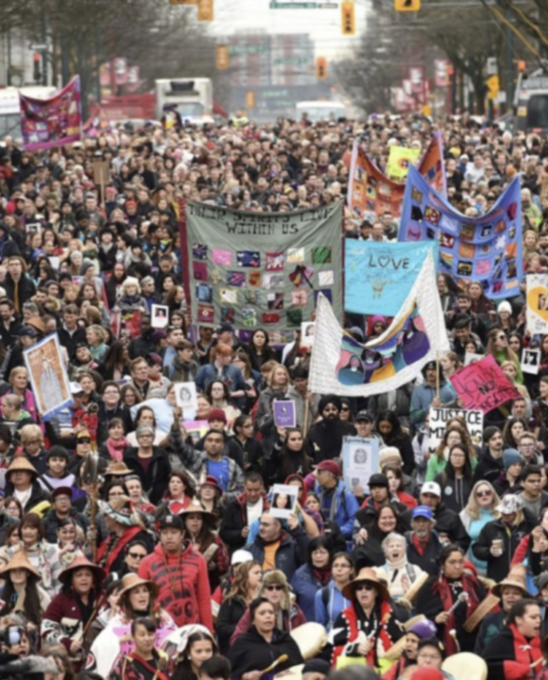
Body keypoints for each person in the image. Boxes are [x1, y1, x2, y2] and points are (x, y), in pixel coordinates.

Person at [138, 514, 213, 629]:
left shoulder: (198, 559)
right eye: (164, 533)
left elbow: (204, 599)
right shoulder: (146, 563)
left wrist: (208, 631)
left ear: (182, 534)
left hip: (191, 628)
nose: (169, 537)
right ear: (159, 535)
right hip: (159, 629)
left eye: (174, 532)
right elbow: (140, 601)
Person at [326, 566, 403, 669]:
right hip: (352, 673)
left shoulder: (389, 615)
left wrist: (382, 648)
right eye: (359, 588)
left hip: (383, 673)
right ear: (355, 593)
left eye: (368, 587)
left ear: (376, 592)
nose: (363, 591)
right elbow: (329, 649)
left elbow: (401, 645)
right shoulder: (344, 616)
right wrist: (353, 649)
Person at [414, 543, 486, 655]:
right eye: (452, 562)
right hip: (442, 644)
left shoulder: (474, 584)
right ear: (442, 564)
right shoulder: (432, 586)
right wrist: (435, 619)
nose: (457, 566)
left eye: (461, 562)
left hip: (472, 643)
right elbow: (420, 619)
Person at [41, 553, 105, 666]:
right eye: (79, 575)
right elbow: (46, 629)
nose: (84, 578)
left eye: (88, 575)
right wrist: (67, 643)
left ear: (93, 579)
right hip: (70, 662)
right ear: (71, 580)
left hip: (99, 658)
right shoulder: (60, 600)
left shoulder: (103, 599)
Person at [227, 597, 303, 679]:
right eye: (262, 613)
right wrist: (244, 676)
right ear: (253, 620)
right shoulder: (242, 643)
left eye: (271, 612)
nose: (268, 616)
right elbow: (229, 673)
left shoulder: (285, 639)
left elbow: (300, 667)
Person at [472, 494, 537, 581]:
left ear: (517, 512)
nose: (504, 515)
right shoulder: (491, 526)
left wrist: (523, 507)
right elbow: (476, 548)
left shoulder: (527, 527)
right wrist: (489, 551)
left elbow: (538, 526)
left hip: (522, 576)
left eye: (508, 513)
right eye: (502, 511)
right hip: (497, 577)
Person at [475, 566, 530, 655]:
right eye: (506, 593)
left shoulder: (529, 621)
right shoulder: (489, 621)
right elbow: (479, 649)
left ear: (523, 597)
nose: (510, 596)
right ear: (501, 596)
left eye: (516, 593)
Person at [483, 599, 542, 679]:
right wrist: (521, 669)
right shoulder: (500, 642)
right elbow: (486, 668)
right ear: (518, 619)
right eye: (533, 617)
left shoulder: (543, 642)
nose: (539, 621)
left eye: (539, 617)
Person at [216, 560, 263, 654]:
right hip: (235, 651)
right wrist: (243, 627)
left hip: (260, 650)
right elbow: (221, 628)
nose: (260, 575)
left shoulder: (264, 599)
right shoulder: (231, 601)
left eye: (261, 572)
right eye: (256, 573)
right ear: (245, 576)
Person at [247, 512, 310, 581]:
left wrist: (297, 530)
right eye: (260, 524)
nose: (261, 528)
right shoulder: (249, 550)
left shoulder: (292, 547)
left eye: (265, 525)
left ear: (277, 527)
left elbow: (308, 556)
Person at [220, 472, 270, 554]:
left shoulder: (269, 505)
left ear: (262, 487)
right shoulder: (234, 505)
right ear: (244, 487)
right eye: (249, 490)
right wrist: (240, 534)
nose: (253, 494)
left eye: (256, 490)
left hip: (265, 550)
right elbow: (223, 533)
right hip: (240, 551)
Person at [109, 617, 174, 680]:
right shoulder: (124, 664)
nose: (147, 639)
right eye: (142, 635)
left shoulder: (164, 659)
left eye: (150, 634)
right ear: (133, 637)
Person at [290, 535, 334, 621]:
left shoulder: (338, 573)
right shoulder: (300, 575)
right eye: (315, 552)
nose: (318, 556)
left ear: (330, 554)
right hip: (307, 626)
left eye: (322, 552)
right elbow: (291, 603)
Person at [313, 460, 360, 540]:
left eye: (320, 472)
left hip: (339, 541)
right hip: (320, 539)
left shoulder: (346, 495)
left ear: (330, 475)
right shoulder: (317, 493)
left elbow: (355, 520)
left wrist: (336, 532)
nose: (316, 475)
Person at [305, 395, 356, 463]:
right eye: (327, 410)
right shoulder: (314, 431)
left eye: (334, 409)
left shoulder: (349, 429)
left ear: (338, 411)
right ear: (322, 412)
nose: (331, 412)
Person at [314, 552, 354, 632]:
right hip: (332, 638)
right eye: (335, 566)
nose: (339, 569)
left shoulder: (358, 592)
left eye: (343, 566)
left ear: (351, 570)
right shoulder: (322, 594)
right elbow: (320, 625)